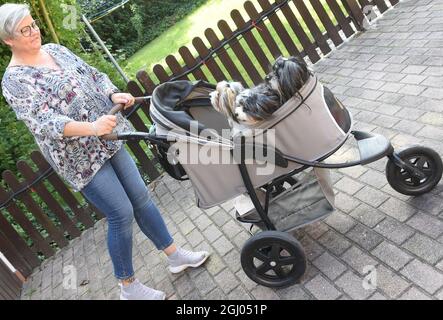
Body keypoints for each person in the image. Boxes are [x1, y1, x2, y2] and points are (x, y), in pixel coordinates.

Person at [0, 3, 209, 300]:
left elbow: (93, 75)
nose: (33, 32)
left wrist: (112, 93)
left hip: (109, 135)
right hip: (79, 158)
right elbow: (44, 121)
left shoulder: (55, 50)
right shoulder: (14, 81)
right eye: (25, 29)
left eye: (33, 24)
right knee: (120, 213)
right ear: (8, 39)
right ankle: (128, 287)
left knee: (140, 197)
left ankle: (175, 256)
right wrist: (92, 128)